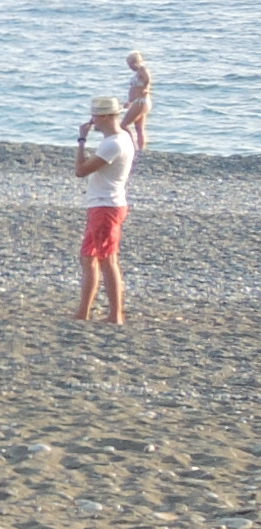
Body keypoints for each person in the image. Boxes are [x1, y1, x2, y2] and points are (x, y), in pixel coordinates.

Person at [77, 55, 151, 326]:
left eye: (96, 115)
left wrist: (81, 140)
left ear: (106, 116)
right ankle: (84, 311)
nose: (93, 120)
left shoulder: (113, 144)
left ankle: (115, 314)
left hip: (106, 205)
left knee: (107, 259)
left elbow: (81, 170)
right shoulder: (121, 139)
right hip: (104, 203)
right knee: (89, 257)